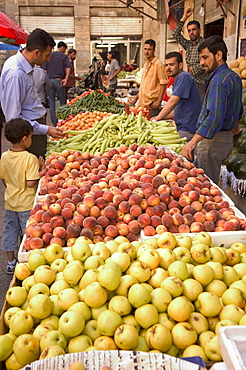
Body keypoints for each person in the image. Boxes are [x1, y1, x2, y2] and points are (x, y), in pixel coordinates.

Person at [182, 35, 243, 185]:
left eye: (204, 57)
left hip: (212, 141)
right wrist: (233, 131)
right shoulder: (233, 77)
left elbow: (214, 118)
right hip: (225, 139)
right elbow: (238, 110)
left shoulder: (218, 81)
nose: (201, 63)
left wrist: (192, 142)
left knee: (205, 187)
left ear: (219, 55)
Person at [0, 28, 64, 158]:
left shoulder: (22, 66)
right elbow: (13, 119)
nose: (48, 59)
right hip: (28, 134)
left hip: (33, 128)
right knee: (32, 172)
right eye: (47, 55)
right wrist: (45, 129)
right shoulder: (16, 73)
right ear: (36, 53)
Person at [0, 119, 44, 274]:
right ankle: (27, 261)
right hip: (26, 204)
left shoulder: (4, 156)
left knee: (10, 232)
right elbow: (31, 183)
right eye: (31, 137)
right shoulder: (30, 158)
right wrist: (40, 168)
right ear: (25, 139)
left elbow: (4, 179)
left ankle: (11, 262)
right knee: (29, 234)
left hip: (10, 203)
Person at [152, 52, 201, 148]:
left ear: (180, 65)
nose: (168, 68)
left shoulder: (184, 77)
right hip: (184, 127)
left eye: (172, 65)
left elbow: (173, 101)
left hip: (188, 129)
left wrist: (157, 118)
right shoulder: (179, 79)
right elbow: (178, 110)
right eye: (166, 65)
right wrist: (159, 117)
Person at [173, 6, 207, 102]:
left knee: (200, 107)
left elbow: (209, 61)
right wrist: (184, 17)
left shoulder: (205, 44)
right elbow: (175, 34)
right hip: (190, 81)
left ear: (199, 30)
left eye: (194, 29)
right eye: (189, 30)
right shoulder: (188, 45)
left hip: (201, 83)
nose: (191, 32)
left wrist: (194, 69)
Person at [132, 39, 168, 117]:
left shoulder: (158, 65)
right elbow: (143, 84)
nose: (146, 52)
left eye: (149, 49)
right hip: (143, 103)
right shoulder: (146, 65)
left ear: (154, 50)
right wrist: (136, 98)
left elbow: (164, 83)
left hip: (152, 103)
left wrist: (158, 101)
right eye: (145, 49)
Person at [43, 41, 71, 126]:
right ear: (62, 47)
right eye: (64, 49)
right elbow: (69, 67)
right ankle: (63, 122)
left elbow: (44, 70)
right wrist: (66, 79)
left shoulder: (48, 55)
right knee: (63, 103)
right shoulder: (64, 56)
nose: (65, 51)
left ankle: (55, 124)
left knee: (52, 104)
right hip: (59, 81)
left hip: (49, 81)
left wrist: (45, 81)